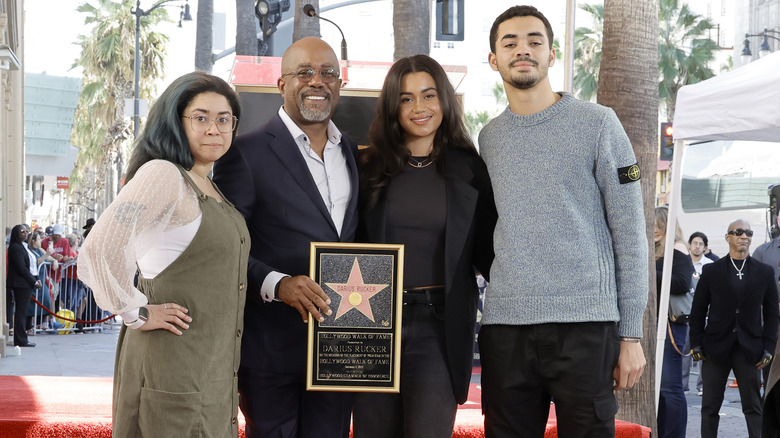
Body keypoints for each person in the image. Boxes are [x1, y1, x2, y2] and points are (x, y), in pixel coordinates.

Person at [476, 6, 649, 437]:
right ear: (493, 59)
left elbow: (630, 233)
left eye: (535, 41)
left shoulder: (598, 124)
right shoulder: (489, 138)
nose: (523, 50)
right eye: (510, 42)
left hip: (586, 327)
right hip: (505, 328)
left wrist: (631, 335)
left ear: (551, 55)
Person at [78, 71, 249, 437]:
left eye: (224, 119)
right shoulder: (163, 175)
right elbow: (100, 247)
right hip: (170, 369)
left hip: (207, 372)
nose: (214, 129)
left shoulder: (208, 184)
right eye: (200, 117)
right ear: (176, 121)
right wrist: (136, 312)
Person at [213, 37, 358, 438]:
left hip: (339, 349)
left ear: (340, 84)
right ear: (281, 84)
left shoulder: (352, 153)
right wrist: (278, 285)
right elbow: (226, 246)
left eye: (328, 73)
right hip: (270, 350)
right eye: (304, 72)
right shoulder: (244, 153)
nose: (318, 81)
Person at [351, 55, 497, 438]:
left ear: (444, 100)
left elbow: (492, 253)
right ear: (391, 106)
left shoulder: (470, 168)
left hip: (440, 326)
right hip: (371, 322)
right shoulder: (366, 167)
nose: (419, 108)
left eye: (428, 95)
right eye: (405, 98)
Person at [689, 220, 779, 438]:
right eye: (738, 232)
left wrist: (768, 347)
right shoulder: (712, 271)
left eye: (748, 232)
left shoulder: (764, 272)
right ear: (728, 237)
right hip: (715, 348)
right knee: (710, 407)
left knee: (753, 407)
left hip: (750, 350)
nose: (744, 236)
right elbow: (698, 309)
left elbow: (771, 313)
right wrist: (696, 343)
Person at [654, 206, 694, 438]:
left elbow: (681, 283)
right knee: (660, 389)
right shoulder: (657, 249)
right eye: (652, 225)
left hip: (669, 326)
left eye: (659, 225)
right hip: (657, 326)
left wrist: (649, 272)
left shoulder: (677, 248)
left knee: (670, 387)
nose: (655, 230)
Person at [685, 231, 714, 396]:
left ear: (705, 247)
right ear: (690, 244)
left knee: (703, 350)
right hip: (686, 313)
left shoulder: (709, 265)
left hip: (706, 313)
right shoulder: (684, 263)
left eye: (701, 244)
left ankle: (702, 385)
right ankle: (683, 385)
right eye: (695, 243)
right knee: (685, 351)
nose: (697, 246)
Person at [6, 224, 42, 347]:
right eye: (23, 231)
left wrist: (36, 279)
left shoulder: (25, 246)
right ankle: (21, 340)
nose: (26, 233)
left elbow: (31, 265)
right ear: (16, 233)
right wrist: (34, 281)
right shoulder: (15, 247)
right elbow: (21, 268)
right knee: (21, 313)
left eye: (27, 231)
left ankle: (22, 338)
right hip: (20, 284)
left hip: (26, 283)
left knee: (23, 312)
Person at [26, 230, 57, 330]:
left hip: (43, 279)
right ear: (33, 241)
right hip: (34, 280)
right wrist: (47, 254)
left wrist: (55, 261)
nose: (41, 241)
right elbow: (37, 262)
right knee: (31, 305)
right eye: (39, 239)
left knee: (46, 300)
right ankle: (30, 326)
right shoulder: (29, 251)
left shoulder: (40, 249)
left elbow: (50, 258)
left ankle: (43, 322)